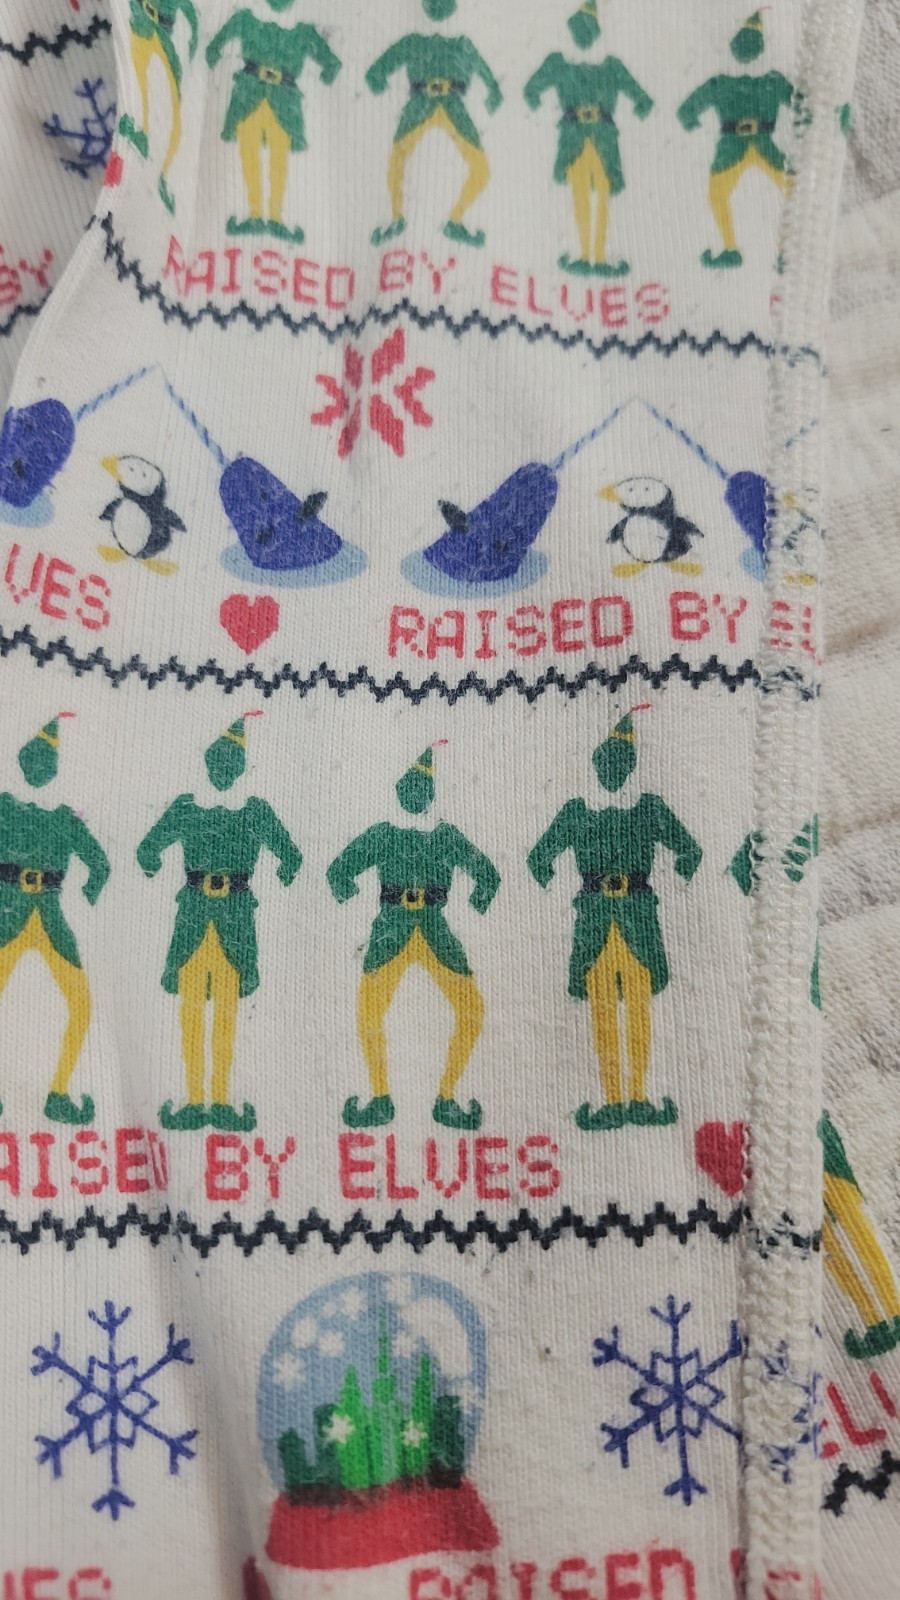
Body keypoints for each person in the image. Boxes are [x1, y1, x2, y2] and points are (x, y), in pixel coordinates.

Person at [527, 708, 701, 1129]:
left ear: (631, 766)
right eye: (607, 763)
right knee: (603, 1009)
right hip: (595, 921)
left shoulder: (649, 809)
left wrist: (683, 874)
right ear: (596, 764)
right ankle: (611, 1099)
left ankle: (637, 1096)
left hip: (637, 917)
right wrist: (547, 881)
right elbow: (539, 857)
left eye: (621, 763)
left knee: (638, 1009)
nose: (613, 771)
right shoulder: (577, 813)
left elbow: (689, 849)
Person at [137, 715, 302, 1131]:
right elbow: (148, 847)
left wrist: (286, 869)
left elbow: (291, 854)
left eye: (231, 764)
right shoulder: (187, 808)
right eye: (218, 762)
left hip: (234, 920)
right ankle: (195, 1100)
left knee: (225, 1014)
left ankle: (221, 1100)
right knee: (192, 1013)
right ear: (208, 763)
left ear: (241, 768)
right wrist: (151, 862)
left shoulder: (255, 812)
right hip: (195, 917)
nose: (223, 771)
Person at [327, 746, 500, 1130]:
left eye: (423, 790)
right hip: (391, 930)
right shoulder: (384, 835)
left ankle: (446, 1097)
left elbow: (487, 873)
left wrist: (480, 899)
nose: (416, 796)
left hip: (435, 930)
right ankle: (380, 1097)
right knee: (369, 1011)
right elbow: (339, 869)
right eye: (410, 789)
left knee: (471, 1009)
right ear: (399, 792)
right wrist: (346, 893)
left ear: (431, 795)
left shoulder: (446, 836)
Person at [0, 715, 109, 1124]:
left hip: (49, 917)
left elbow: (99, 862)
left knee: (80, 1003)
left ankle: (58, 1093)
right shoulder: (5, 808)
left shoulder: (65, 819)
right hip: (7, 913)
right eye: (34, 761)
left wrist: (91, 891)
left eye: (46, 763)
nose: (39, 769)